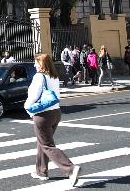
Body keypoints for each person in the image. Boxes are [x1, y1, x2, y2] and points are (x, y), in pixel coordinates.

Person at [24, 53, 81, 186]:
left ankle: (70, 168)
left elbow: (33, 96)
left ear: (42, 64)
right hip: (55, 112)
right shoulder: (53, 76)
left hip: (43, 114)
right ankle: (41, 171)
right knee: (42, 142)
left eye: (36, 63)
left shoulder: (39, 76)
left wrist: (26, 107)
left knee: (47, 145)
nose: (34, 65)